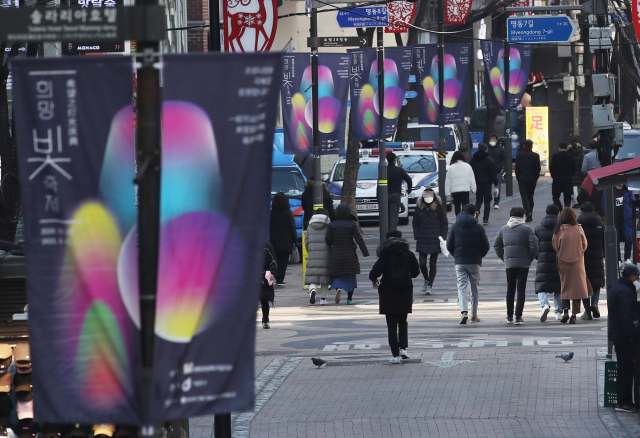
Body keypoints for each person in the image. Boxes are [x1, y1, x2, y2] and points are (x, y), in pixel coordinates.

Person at [369, 230, 420, 364]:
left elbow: (375, 271)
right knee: (403, 321)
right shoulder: (408, 254)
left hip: (388, 293)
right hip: (405, 291)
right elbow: (416, 272)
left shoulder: (385, 255)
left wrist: (373, 278)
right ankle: (403, 349)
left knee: (391, 324)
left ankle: (395, 355)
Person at [493, 207, 539, 325]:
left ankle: (509, 316)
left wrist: (504, 258)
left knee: (510, 289)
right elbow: (534, 245)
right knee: (521, 289)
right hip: (524, 264)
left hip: (509, 264)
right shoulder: (527, 229)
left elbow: (496, 245)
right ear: (522, 216)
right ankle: (518, 316)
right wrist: (530, 257)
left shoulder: (503, 229)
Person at [446, 204, 490, 324]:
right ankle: (474, 315)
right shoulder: (479, 228)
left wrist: (457, 256)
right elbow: (486, 246)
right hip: (474, 261)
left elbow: (449, 244)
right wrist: (479, 255)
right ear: (474, 214)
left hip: (460, 261)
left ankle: (464, 312)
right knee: (474, 287)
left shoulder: (455, 226)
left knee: (461, 287)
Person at [608, 263, 640, 413]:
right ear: (632, 277)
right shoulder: (625, 292)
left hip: (619, 334)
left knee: (625, 368)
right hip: (624, 336)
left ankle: (625, 401)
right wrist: (632, 336)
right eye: (637, 277)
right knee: (625, 369)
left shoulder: (619, 287)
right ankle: (624, 402)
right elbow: (626, 317)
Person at [552, 207, 593, 324]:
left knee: (565, 285)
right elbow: (585, 244)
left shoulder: (559, 229)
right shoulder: (578, 228)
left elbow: (555, 246)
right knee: (577, 287)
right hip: (577, 261)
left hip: (563, 261)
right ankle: (574, 315)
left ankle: (565, 311)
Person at [326, 203, 369, 305]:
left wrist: (332, 244)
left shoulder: (332, 225)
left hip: (336, 253)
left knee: (336, 275)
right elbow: (359, 239)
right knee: (350, 276)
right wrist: (365, 252)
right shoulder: (351, 224)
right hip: (350, 254)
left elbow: (327, 239)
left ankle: (338, 288)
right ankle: (349, 299)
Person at [412, 188, 448, 295]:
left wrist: (442, 236)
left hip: (435, 239)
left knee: (433, 264)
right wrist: (417, 235)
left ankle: (430, 285)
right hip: (422, 238)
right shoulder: (419, 208)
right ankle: (426, 279)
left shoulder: (438, 208)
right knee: (422, 263)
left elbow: (444, 223)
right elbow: (415, 223)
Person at [534, 204, 563, 322]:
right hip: (559, 260)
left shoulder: (538, 229)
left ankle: (544, 305)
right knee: (559, 287)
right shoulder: (562, 228)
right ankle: (559, 312)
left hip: (543, 260)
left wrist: (538, 256)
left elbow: (534, 246)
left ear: (546, 213)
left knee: (541, 285)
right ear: (558, 214)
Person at [577, 202, 604, 320]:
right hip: (597, 257)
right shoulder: (601, 224)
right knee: (596, 282)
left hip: (582, 257)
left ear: (581, 211)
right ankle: (595, 303)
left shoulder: (578, 226)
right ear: (593, 211)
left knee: (584, 284)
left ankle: (587, 311)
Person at [269, 192, 297, 286]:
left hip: (273, 240)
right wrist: (295, 239)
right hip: (286, 241)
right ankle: (280, 279)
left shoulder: (271, 213)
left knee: (273, 260)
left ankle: (272, 276)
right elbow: (292, 227)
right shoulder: (288, 213)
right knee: (283, 261)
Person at [304, 208, 331, 305]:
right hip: (326, 255)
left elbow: (306, 241)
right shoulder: (328, 226)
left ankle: (312, 290)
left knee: (313, 277)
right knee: (325, 279)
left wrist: (309, 250)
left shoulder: (310, 227)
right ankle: (323, 300)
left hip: (313, 254)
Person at [603, 184, 634, 263]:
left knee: (628, 239)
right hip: (615, 220)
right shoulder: (610, 190)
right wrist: (609, 215)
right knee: (616, 240)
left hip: (626, 219)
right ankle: (618, 259)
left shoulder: (628, 190)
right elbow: (604, 204)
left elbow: (632, 202)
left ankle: (627, 258)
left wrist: (631, 213)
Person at [470, 143, 499, 225]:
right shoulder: (489, 160)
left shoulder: (473, 160)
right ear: (486, 149)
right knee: (487, 202)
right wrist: (496, 182)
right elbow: (493, 173)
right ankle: (485, 219)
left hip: (477, 183)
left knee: (478, 200)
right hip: (487, 184)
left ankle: (475, 216)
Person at [515, 139, 541, 222]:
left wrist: (518, 177)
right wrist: (536, 177)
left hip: (522, 178)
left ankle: (528, 212)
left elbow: (517, 168)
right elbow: (538, 168)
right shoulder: (535, 155)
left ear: (524, 146)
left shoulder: (519, 155)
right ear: (532, 146)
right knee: (530, 196)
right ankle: (530, 213)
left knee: (524, 197)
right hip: (532, 178)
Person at [386, 152, 413, 231]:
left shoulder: (384, 170)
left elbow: (379, 184)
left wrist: (378, 197)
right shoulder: (399, 170)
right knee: (394, 215)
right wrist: (409, 190)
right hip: (395, 195)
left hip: (385, 195)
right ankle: (393, 232)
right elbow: (409, 180)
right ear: (395, 160)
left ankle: (386, 231)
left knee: (386, 215)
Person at [445, 151, 476, 216]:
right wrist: (474, 189)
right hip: (465, 189)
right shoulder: (468, 166)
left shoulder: (451, 167)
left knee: (457, 206)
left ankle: (458, 218)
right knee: (466, 205)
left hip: (455, 190)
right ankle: (466, 218)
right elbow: (472, 178)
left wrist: (447, 192)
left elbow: (448, 181)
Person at [549, 142, 576, 210]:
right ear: (566, 148)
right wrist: (570, 176)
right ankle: (566, 211)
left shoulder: (555, 156)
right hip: (567, 180)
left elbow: (552, 168)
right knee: (567, 197)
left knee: (555, 196)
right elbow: (574, 169)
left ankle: (559, 207)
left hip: (557, 179)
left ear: (559, 148)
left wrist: (554, 176)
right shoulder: (571, 156)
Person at [260, 243, 278, 329]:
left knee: (264, 299)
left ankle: (265, 320)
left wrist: (273, 272)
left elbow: (273, 261)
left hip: (264, 276)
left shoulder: (266, 246)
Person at [487, 133, 505, 209]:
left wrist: (500, 167)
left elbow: (503, 159)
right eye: (491, 139)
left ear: (497, 140)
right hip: (488, 171)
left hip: (497, 170)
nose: (492, 141)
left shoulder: (501, 149)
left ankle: (496, 202)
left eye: (493, 139)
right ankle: (490, 198)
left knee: (497, 186)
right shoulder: (487, 148)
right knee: (488, 186)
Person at [568, 136, 585, 207]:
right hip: (580, 171)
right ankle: (580, 200)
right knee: (580, 187)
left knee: (574, 187)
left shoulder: (569, 151)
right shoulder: (582, 150)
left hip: (572, 172)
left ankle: (576, 202)